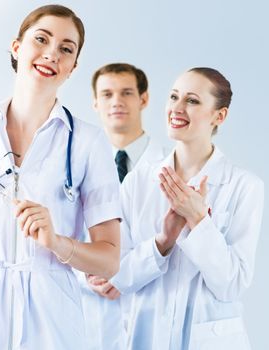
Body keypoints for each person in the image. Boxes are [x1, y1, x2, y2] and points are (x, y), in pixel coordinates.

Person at [0, 5, 121, 349]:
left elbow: (109, 260)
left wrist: (57, 242)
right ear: (16, 48)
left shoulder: (88, 143)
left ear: (73, 67)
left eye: (66, 48)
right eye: (41, 39)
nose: (51, 54)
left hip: (51, 320)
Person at [109, 67, 264, 349]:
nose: (177, 108)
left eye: (192, 101)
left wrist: (198, 220)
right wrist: (162, 242)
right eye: (173, 97)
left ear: (220, 116)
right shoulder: (138, 181)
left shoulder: (244, 186)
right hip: (147, 336)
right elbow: (118, 274)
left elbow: (232, 284)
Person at [82, 63, 166, 349]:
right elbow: (61, 237)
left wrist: (123, 276)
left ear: (143, 99)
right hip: (90, 315)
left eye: (126, 93)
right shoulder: (78, 167)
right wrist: (90, 274)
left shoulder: (171, 169)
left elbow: (174, 242)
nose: (116, 101)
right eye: (106, 94)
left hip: (152, 309)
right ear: (95, 102)